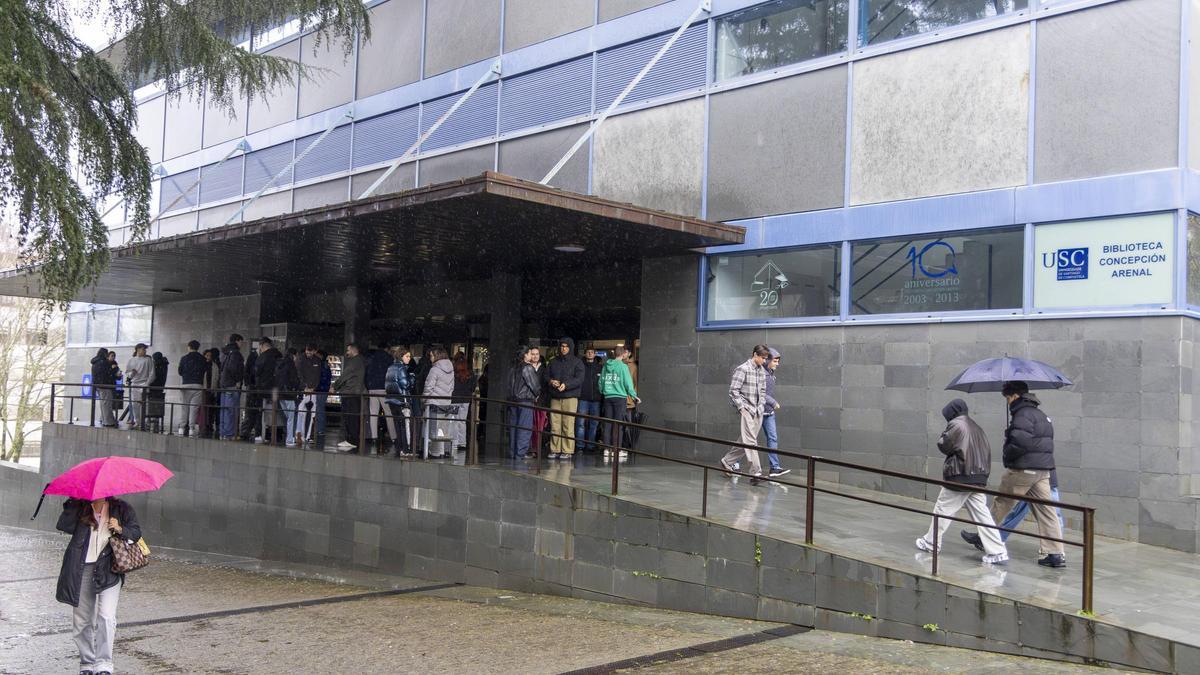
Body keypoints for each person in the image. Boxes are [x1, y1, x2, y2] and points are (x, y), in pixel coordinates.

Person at [963, 381, 1067, 568]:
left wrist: (1007, 452)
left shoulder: (1022, 414)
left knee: (1001, 502)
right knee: (1047, 511)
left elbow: (1020, 441)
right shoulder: (1041, 415)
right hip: (1043, 471)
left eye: (1008, 398)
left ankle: (984, 537)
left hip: (1023, 469)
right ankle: (1055, 554)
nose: (1007, 402)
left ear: (1015, 396)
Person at [55, 495, 142, 675]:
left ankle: (104, 664)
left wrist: (119, 528)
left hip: (109, 568)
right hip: (82, 568)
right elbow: (64, 525)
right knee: (82, 621)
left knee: (106, 617)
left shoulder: (121, 508)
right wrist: (72, 501)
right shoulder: (81, 506)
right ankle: (87, 663)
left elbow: (135, 533)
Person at [915, 399, 1009, 565]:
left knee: (943, 509)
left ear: (952, 413)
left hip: (960, 476)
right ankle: (998, 551)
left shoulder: (957, 425)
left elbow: (943, 445)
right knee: (983, 515)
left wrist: (945, 434)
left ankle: (931, 542)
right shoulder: (977, 427)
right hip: (978, 477)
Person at [721, 345, 770, 482]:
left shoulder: (761, 371)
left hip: (758, 411)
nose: (764, 361)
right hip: (747, 410)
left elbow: (763, 391)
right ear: (755, 354)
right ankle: (756, 473)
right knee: (751, 442)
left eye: (766, 359)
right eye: (762, 358)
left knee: (745, 440)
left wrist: (760, 407)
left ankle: (727, 461)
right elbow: (733, 390)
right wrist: (742, 408)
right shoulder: (743, 369)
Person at [546, 337, 584, 460]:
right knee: (555, 424)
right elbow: (545, 375)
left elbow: (579, 379)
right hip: (555, 397)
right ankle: (555, 449)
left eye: (566, 346)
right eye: (562, 346)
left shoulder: (577, 362)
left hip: (570, 397)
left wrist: (566, 385)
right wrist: (551, 381)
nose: (564, 348)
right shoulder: (553, 361)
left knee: (568, 424)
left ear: (571, 347)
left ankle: (567, 450)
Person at [598, 346, 638, 457]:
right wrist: (633, 395)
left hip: (608, 397)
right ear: (622, 354)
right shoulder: (623, 367)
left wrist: (603, 391)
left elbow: (601, 381)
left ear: (614, 353)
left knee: (608, 423)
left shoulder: (606, 365)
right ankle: (617, 449)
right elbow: (628, 383)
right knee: (618, 424)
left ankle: (607, 449)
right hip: (620, 398)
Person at [506, 346, 541, 459]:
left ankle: (513, 452)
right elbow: (534, 385)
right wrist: (537, 394)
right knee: (524, 428)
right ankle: (520, 453)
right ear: (525, 355)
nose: (532, 356)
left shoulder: (512, 367)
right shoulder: (527, 368)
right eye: (530, 353)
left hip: (513, 401)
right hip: (525, 400)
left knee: (513, 428)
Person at [760, 348, 791, 478]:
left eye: (778, 361)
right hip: (758, 412)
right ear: (767, 360)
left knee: (772, 439)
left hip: (769, 413)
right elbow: (761, 393)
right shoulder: (760, 374)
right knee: (748, 440)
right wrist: (773, 402)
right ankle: (733, 462)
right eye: (775, 361)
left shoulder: (771, 373)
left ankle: (774, 468)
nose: (777, 364)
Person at [332, 343, 366, 453]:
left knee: (350, 418)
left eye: (348, 350)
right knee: (354, 418)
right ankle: (353, 440)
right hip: (356, 393)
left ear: (353, 350)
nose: (347, 352)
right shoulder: (361, 361)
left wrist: (334, 386)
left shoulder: (354, 362)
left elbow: (345, 375)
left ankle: (352, 441)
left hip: (350, 393)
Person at [364, 343, 398, 453]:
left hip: (372, 388)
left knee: (373, 413)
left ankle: (374, 437)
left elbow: (367, 373)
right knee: (388, 413)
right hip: (384, 388)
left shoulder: (371, 358)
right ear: (387, 349)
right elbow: (391, 374)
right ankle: (393, 437)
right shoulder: (389, 359)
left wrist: (369, 386)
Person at [423, 347, 454, 458]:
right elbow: (452, 387)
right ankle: (442, 451)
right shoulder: (451, 369)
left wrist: (424, 399)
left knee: (433, 428)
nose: (430, 358)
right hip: (446, 402)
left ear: (437, 356)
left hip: (434, 402)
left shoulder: (434, 370)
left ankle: (435, 452)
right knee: (442, 429)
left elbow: (428, 387)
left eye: (431, 356)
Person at [384, 346, 414, 457]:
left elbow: (387, 384)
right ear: (401, 356)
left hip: (392, 400)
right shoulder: (402, 368)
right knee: (405, 425)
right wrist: (412, 379)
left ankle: (400, 448)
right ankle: (406, 449)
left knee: (397, 424)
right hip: (402, 400)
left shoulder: (390, 367)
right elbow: (405, 384)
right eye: (407, 356)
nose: (409, 358)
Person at [576, 347, 604, 453]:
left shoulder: (600, 367)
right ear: (585, 353)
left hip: (596, 399)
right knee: (580, 423)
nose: (590, 354)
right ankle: (580, 445)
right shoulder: (580, 366)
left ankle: (591, 446)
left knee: (594, 424)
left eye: (592, 352)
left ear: (595, 354)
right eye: (588, 352)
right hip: (583, 398)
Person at [253, 338, 281, 443]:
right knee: (274, 412)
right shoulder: (279, 355)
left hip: (263, 388)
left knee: (261, 412)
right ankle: (274, 435)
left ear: (262, 345)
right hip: (276, 389)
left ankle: (260, 434)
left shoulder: (262, 357)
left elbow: (256, 372)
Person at [218, 334, 245, 441]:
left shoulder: (225, 353)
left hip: (224, 384)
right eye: (241, 342)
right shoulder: (235, 353)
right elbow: (233, 368)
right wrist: (238, 380)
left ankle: (223, 433)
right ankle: (230, 434)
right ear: (237, 341)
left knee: (224, 410)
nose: (242, 344)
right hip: (232, 385)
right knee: (231, 410)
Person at [296, 344, 324, 446]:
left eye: (310, 351)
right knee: (301, 413)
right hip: (304, 391)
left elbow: (318, 376)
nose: (308, 353)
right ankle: (299, 434)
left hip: (312, 391)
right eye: (307, 351)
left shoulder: (317, 361)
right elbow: (299, 374)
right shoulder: (301, 359)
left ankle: (307, 436)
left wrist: (313, 388)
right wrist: (305, 387)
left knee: (312, 414)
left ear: (314, 351)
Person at [177, 340, 206, 436]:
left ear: (189, 347)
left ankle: (181, 428)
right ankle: (191, 428)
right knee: (194, 408)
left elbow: (180, 371)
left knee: (184, 407)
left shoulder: (184, 358)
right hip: (198, 385)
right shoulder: (202, 358)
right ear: (198, 348)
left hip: (185, 385)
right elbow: (204, 370)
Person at [450, 352, 477, 451]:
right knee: (462, 421)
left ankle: (455, 442)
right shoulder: (469, 372)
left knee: (454, 421)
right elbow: (473, 386)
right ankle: (463, 443)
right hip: (466, 399)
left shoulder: (453, 372)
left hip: (455, 398)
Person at [275, 346, 302, 446]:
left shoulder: (280, 363)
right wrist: (296, 387)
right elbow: (294, 380)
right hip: (289, 394)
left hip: (280, 394)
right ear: (293, 355)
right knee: (291, 417)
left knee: (288, 416)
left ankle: (290, 436)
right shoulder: (291, 365)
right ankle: (290, 439)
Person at [123, 344, 153, 430]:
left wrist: (147, 383)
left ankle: (146, 422)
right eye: (143, 349)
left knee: (145, 404)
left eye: (145, 350)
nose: (145, 351)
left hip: (144, 384)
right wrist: (132, 373)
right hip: (135, 385)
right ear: (138, 350)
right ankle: (138, 421)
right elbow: (128, 374)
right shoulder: (132, 360)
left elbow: (152, 374)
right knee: (135, 404)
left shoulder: (148, 360)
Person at [90, 348, 117, 428]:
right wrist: (114, 369)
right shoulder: (103, 363)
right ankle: (108, 421)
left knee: (103, 403)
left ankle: (104, 419)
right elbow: (107, 374)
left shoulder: (95, 362)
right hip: (105, 385)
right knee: (107, 404)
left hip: (97, 385)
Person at [529, 346, 548, 453]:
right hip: (530, 400)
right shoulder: (526, 367)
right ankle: (530, 448)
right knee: (530, 425)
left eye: (537, 354)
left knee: (540, 426)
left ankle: (538, 448)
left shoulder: (544, 368)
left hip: (542, 400)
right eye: (533, 354)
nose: (535, 356)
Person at [239, 341, 260, 441]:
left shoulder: (253, 356)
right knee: (251, 411)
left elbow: (247, 371)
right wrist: (250, 384)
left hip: (252, 387)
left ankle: (246, 431)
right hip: (253, 387)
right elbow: (248, 371)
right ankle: (246, 431)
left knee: (251, 411)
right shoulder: (254, 356)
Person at [316, 350, 332, 439]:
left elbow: (321, 378)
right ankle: (320, 429)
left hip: (320, 390)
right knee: (320, 409)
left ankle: (320, 429)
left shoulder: (322, 366)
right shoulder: (326, 366)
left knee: (320, 409)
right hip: (323, 390)